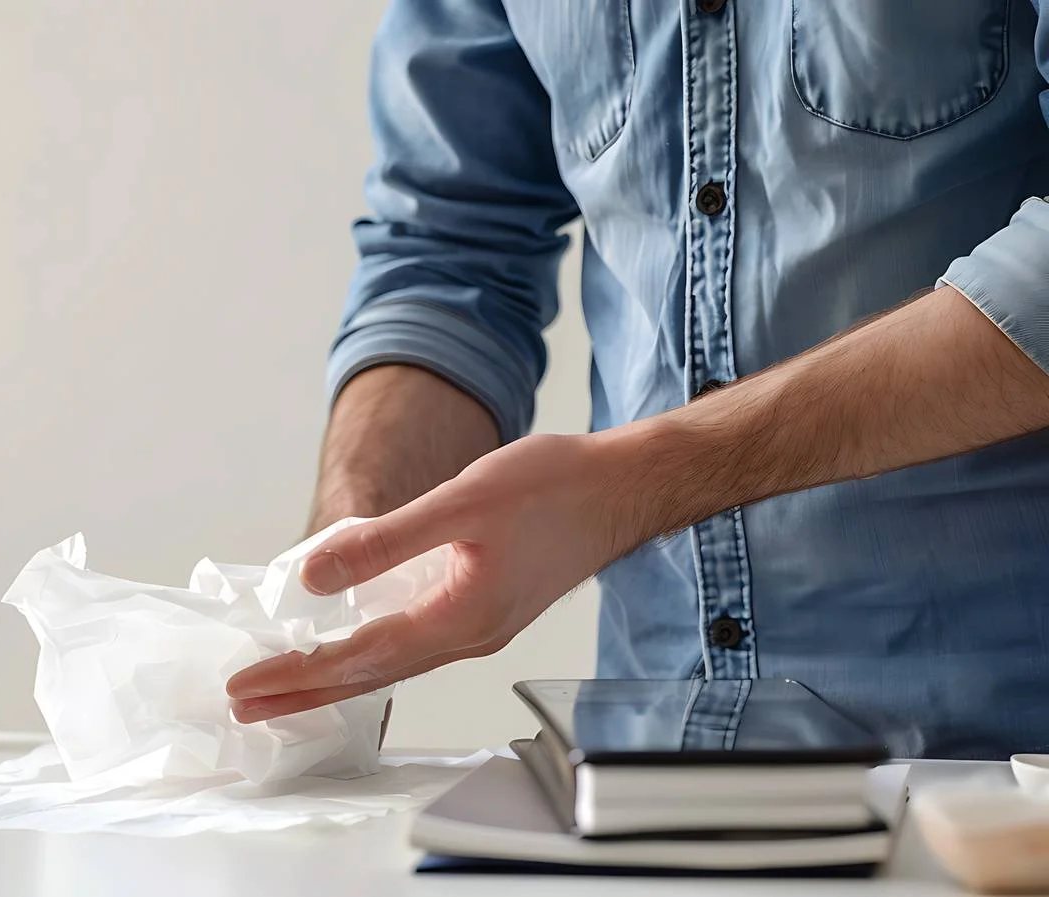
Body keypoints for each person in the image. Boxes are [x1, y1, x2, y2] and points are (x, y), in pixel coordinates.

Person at [225, 0, 1049, 759]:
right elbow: (449, 249)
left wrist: (643, 481)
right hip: (643, 771)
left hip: (1006, 767)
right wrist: (337, 589)